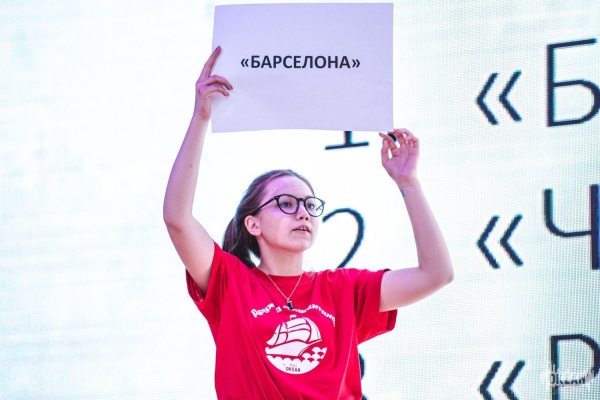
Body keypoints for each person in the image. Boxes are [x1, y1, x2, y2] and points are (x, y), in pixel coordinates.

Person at [163, 46, 453, 400]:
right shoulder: (230, 282)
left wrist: (409, 183)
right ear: (253, 224)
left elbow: (436, 274)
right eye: (286, 203)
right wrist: (200, 118)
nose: (302, 213)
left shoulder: (343, 290)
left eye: (309, 205)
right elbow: (177, 219)